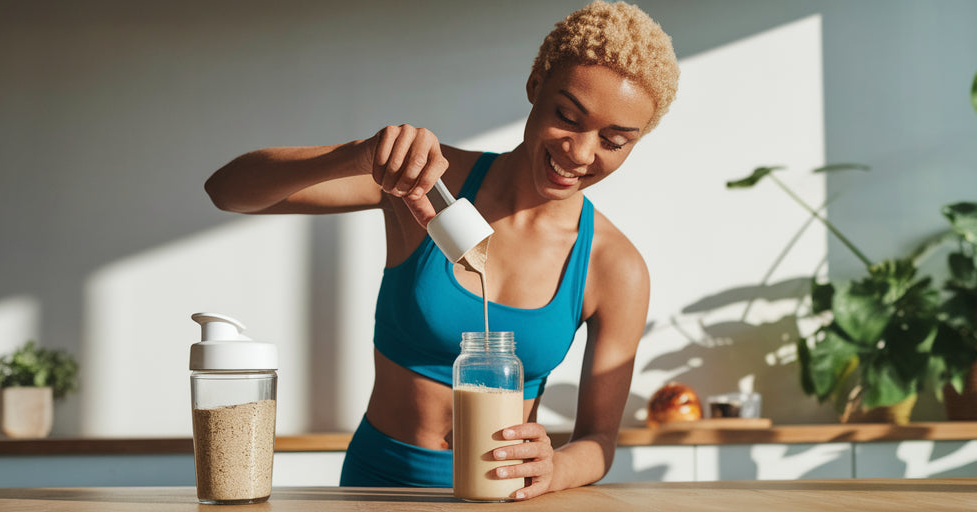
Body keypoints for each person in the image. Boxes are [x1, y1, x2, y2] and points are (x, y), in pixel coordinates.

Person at [203, 1, 678, 500]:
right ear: (536, 84)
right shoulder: (427, 180)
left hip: (503, 497)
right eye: (567, 116)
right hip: (379, 486)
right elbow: (228, 191)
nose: (580, 153)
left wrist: (554, 468)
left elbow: (599, 442)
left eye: (614, 140)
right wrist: (359, 155)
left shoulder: (614, 267)